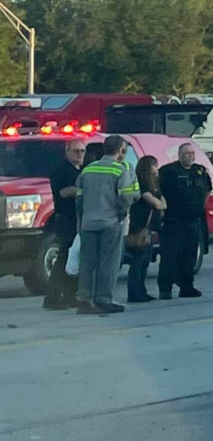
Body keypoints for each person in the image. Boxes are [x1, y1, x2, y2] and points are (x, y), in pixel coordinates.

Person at [75, 135, 138, 315]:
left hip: (88, 223)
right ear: (119, 150)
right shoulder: (120, 170)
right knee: (108, 262)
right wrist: (122, 213)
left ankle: (83, 299)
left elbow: (79, 199)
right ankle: (103, 299)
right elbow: (126, 197)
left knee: (87, 262)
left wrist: (80, 220)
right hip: (110, 222)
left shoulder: (87, 170)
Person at [157, 143, 211, 299]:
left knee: (190, 256)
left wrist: (199, 207)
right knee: (170, 256)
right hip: (173, 221)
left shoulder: (200, 171)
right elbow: (158, 191)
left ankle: (187, 287)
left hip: (193, 221)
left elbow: (207, 190)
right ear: (179, 155)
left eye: (192, 153)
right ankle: (165, 289)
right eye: (187, 153)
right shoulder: (168, 171)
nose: (190, 156)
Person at [42, 137, 87, 311]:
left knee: (74, 260)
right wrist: (83, 189)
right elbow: (63, 192)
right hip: (66, 220)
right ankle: (51, 299)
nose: (80, 154)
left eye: (83, 151)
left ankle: (70, 296)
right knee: (64, 259)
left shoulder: (82, 171)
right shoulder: (61, 171)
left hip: (78, 220)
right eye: (76, 151)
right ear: (67, 152)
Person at [124, 155, 166, 303]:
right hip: (138, 226)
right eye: (154, 165)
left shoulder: (153, 184)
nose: (156, 169)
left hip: (149, 228)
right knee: (138, 261)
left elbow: (163, 203)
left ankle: (142, 291)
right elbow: (156, 203)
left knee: (145, 261)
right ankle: (135, 293)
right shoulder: (141, 183)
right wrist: (159, 203)